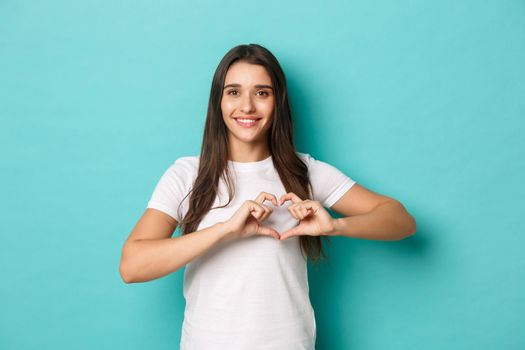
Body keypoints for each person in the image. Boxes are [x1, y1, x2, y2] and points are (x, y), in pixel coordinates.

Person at [119, 43, 416, 350]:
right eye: (234, 92)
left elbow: (401, 220)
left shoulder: (305, 172)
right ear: (218, 102)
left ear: (278, 102)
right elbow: (132, 265)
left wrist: (336, 227)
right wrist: (224, 230)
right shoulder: (187, 175)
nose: (246, 106)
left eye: (262, 93)